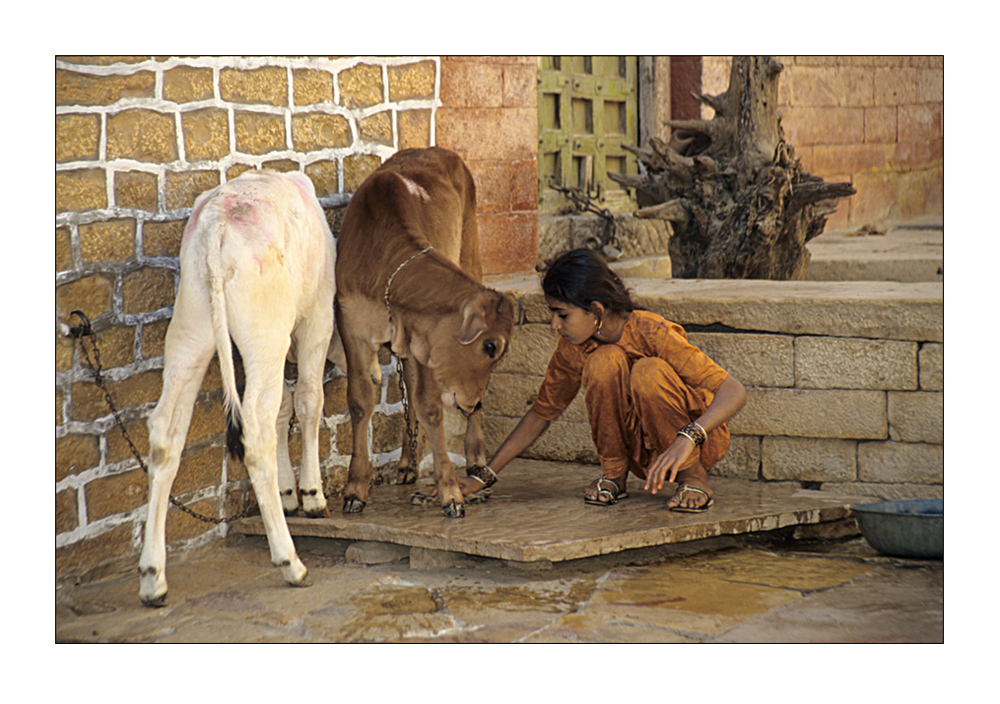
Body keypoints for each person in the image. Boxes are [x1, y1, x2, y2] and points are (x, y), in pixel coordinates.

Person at [461, 248, 746, 512]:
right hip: (641, 452)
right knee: (603, 361)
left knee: (648, 372)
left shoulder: (651, 330)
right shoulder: (573, 350)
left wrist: (688, 437)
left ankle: (693, 478)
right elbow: (541, 413)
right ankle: (614, 477)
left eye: (562, 314)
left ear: (596, 310)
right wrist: (484, 476)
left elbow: (734, 391)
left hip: (692, 443)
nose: (554, 325)